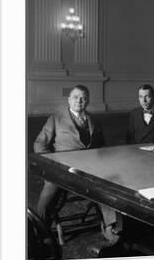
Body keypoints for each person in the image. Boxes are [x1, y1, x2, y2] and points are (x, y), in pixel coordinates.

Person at [34, 85, 105, 226]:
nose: (79, 101)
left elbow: (102, 146)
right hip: (62, 168)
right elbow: (39, 143)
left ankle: (111, 227)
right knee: (50, 192)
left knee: (110, 188)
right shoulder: (56, 118)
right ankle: (39, 228)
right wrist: (52, 163)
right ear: (69, 100)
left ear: (88, 101)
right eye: (75, 97)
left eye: (83, 98)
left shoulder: (94, 120)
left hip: (90, 169)